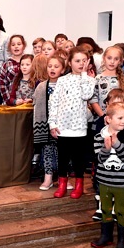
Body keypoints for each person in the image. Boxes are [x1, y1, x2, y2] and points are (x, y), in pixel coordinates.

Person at [49, 46, 96, 199]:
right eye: (77, 61)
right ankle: (62, 184)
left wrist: (84, 75)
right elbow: (54, 102)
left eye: (84, 60)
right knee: (62, 158)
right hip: (63, 127)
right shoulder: (62, 80)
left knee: (78, 160)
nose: (81, 63)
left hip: (79, 128)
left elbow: (86, 95)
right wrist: (52, 123)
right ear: (69, 62)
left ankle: (79, 185)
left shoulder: (89, 80)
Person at [90, 103, 124, 248]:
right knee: (105, 209)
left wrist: (117, 145)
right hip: (104, 181)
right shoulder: (98, 137)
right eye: (120, 118)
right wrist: (106, 149)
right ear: (108, 119)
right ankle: (106, 235)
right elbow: (98, 159)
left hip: (121, 182)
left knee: (121, 211)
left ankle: (123, 239)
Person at [33, 56, 65, 190]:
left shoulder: (65, 85)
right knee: (47, 152)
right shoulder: (41, 86)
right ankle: (48, 178)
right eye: (50, 66)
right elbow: (36, 103)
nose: (52, 69)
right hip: (46, 126)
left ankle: (65, 178)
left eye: (56, 66)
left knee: (64, 153)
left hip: (63, 125)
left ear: (63, 70)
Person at [0, 35, 26, 105]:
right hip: (11, 103)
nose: (16, 46)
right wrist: (10, 101)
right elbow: (2, 85)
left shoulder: (30, 62)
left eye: (19, 44)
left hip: (27, 102)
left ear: (23, 46)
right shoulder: (6, 64)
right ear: (10, 48)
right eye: (13, 45)